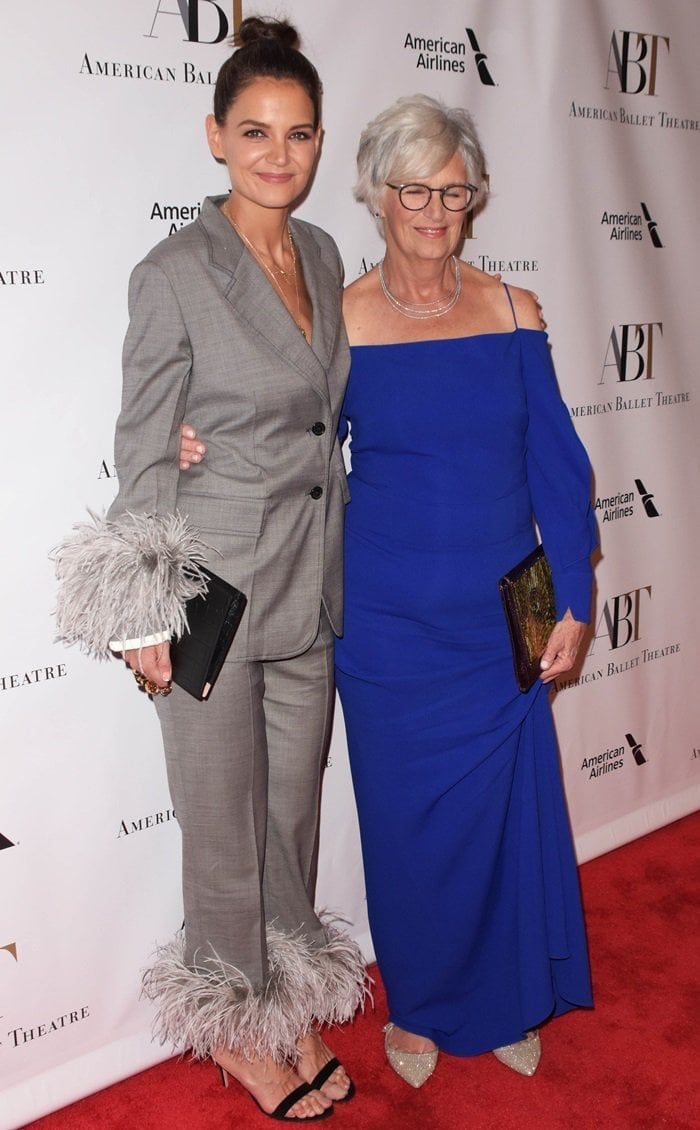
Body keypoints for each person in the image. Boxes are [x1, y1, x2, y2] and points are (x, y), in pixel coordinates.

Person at [179, 93, 597, 1087]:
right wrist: (185, 443)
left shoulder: (510, 311)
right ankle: (419, 1003)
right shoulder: (343, 323)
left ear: (473, 197)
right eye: (412, 187)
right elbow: (281, 437)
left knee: (503, 814)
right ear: (376, 194)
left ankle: (501, 1000)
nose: (431, 208)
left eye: (452, 190)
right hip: (382, 622)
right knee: (407, 828)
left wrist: (571, 599)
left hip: (507, 608)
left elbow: (558, 469)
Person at [54, 18, 365, 1123]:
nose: (279, 154)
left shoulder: (326, 255)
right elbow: (144, 442)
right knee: (222, 823)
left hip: (309, 588)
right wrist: (141, 604)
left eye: (299, 133)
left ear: (318, 141)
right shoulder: (174, 271)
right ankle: (237, 1023)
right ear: (215, 137)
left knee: (289, 819)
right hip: (211, 596)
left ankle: (284, 985)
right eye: (255, 132)